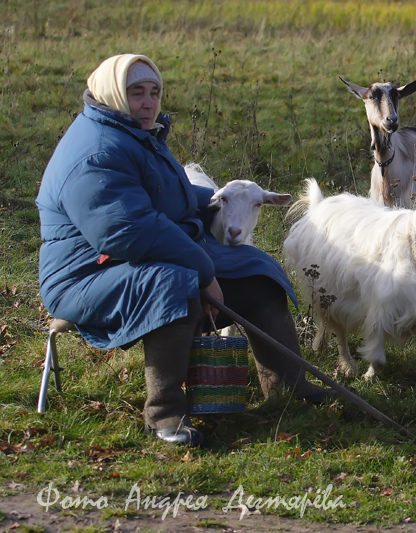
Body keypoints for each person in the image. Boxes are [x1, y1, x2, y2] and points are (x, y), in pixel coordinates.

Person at [36, 54, 335, 447]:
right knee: (175, 281)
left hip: (131, 258)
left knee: (257, 270)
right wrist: (204, 272)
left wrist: (219, 198)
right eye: (136, 92)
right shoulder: (94, 154)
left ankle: (289, 388)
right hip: (86, 275)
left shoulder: (132, 133)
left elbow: (166, 195)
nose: (148, 102)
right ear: (111, 94)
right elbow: (128, 232)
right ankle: (164, 415)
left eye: (155, 92)